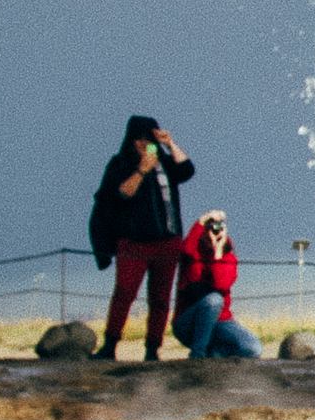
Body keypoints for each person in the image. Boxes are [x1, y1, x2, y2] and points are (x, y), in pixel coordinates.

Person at [89, 115, 196, 361]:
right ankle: (110, 345)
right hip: (134, 242)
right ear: (131, 139)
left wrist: (170, 143)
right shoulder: (120, 163)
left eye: (150, 139)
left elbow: (188, 170)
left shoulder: (166, 163)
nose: (144, 143)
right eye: (140, 139)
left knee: (160, 299)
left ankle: (152, 349)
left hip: (167, 242)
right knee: (124, 293)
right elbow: (118, 196)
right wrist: (141, 170)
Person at [177, 209, 260, 359]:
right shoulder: (192, 252)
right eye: (209, 229)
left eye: (218, 228)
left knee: (253, 348)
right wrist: (202, 220)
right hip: (188, 321)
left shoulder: (228, 257)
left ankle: (215, 353)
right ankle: (197, 356)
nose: (213, 233)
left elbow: (221, 284)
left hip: (219, 322)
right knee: (213, 300)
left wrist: (218, 251)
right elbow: (185, 250)